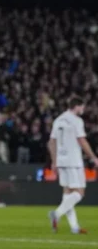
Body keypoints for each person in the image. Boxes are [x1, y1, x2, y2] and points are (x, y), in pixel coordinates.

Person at [48, 96, 98, 234]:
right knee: (79, 193)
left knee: (67, 193)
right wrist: (93, 158)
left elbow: (51, 142)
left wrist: (54, 161)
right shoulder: (76, 120)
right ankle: (57, 213)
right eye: (82, 107)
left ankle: (74, 227)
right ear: (77, 106)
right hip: (74, 161)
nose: (83, 109)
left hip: (61, 160)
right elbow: (82, 141)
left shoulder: (58, 120)